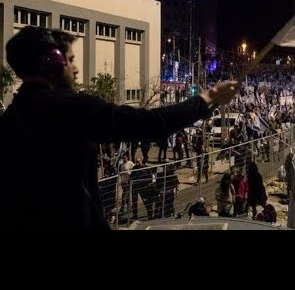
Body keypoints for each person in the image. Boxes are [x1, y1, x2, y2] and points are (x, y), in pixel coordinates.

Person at [0, 25, 238, 231]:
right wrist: (208, 97)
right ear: (52, 64)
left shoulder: (10, 118)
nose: (76, 69)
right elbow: (150, 123)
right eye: (70, 60)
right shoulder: (71, 108)